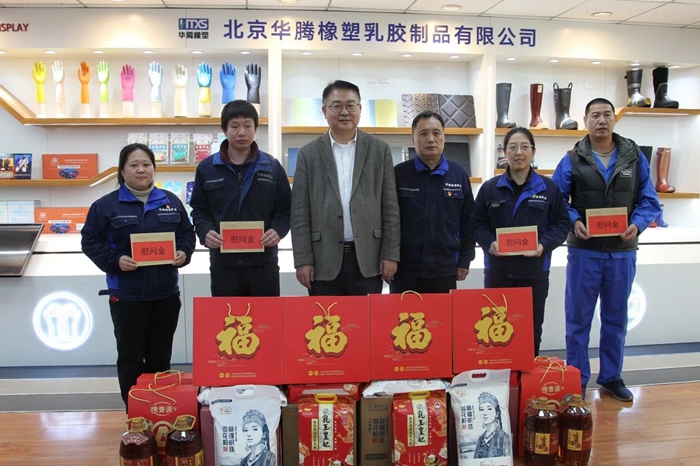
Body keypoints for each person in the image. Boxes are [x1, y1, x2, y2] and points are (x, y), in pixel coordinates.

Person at [552, 98, 660, 402]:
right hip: (584, 252)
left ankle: (611, 377)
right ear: (586, 120)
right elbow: (557, 200)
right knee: (578, 320)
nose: (601, 120)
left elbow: (649, 200)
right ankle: (577, 378)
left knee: (616, 319)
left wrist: (637, 224)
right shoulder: (572, 158)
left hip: (622, 252)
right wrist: (574, 222)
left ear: (614, 119)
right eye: (595, 115)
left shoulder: (634, 157)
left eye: (607, 115)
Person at [81, 143, 195, 406]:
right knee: (130, 358)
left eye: (146, 165)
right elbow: (90, 242)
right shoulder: (105, 206)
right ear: (122, 171)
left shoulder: (170, 201)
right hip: (127, 296)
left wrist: (184, 252)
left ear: (153, 169)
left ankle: (158, 411)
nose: (141, 170)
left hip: (166, 295)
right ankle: (135, 414)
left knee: (160, 357)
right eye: (133, 165)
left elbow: (187, 234)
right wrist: (115, 260)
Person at [291, 80, 400, 295]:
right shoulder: (307, 154)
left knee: (366, 317)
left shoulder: (380, 151)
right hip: (322, 260)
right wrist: (302, 260)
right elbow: (299, 213)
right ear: (324, 111)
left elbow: (390, 208)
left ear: (359, 109)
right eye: (336, 106)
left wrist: (390, 254)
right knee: (326, 316)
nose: (344, 112)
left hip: (369, 258)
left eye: (350, 105)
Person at [474, 127, 570, 356]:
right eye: (513, 147)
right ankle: (502, 375)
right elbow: (476, 223)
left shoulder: (548, 188)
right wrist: (489, 243)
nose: (519, 152)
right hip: (498, 272)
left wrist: (543, 244)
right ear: (504, 152)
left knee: (531, 329)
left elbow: (561, 224)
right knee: (496, 331)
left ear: (533, 151)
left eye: (525, 147)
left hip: (534, 272)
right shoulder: (490, 189)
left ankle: (527, 375)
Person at [190, 100, 291, 296]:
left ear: (255, 129)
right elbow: (200, 210)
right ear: (224, 129)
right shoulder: (207, 168)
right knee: (227, 314)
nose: (241, 132)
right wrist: (205, 231)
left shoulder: (272, 167)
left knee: (265, 315)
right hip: (224, 264)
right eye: (235, 126)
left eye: (247, 126)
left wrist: (278, 230)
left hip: (263, 263)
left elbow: (285, 209)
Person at [392, 111, 475, 293]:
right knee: (403, 313)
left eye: (436, 133)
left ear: (444, 137)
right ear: (413, 139)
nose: (431, 139)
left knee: (442, 313)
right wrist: (389, 258)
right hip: (405, 270)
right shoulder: (398, 174)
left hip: (445, 269)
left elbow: (469, 222)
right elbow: (388, 221)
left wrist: (465, 260)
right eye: (423, 133)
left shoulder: (458, 174)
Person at [473, 392, 511, 458]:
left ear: (497, 413)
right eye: (481, 409)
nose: (485, 413)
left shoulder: (503, 437)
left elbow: (506, 459)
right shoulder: (480, 439)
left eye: (489, 409)